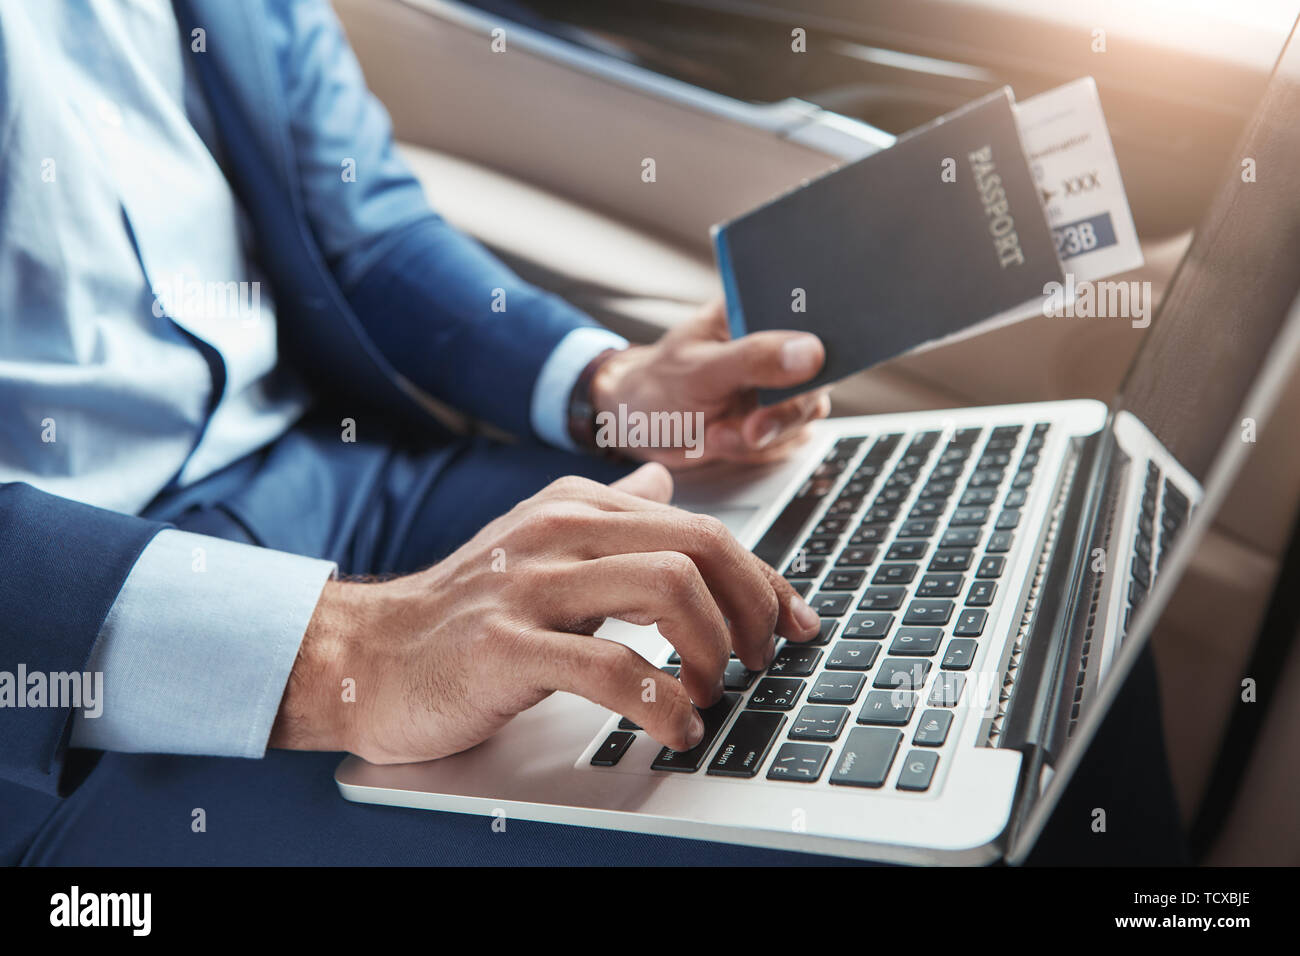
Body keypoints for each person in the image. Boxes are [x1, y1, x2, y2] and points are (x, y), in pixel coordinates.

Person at [0, 0, 843, 865]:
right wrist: (346, 653)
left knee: (788, 566)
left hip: (336, 475)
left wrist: (612, 387)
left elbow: (364, 227)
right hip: (60, 670)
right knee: (748, 837)